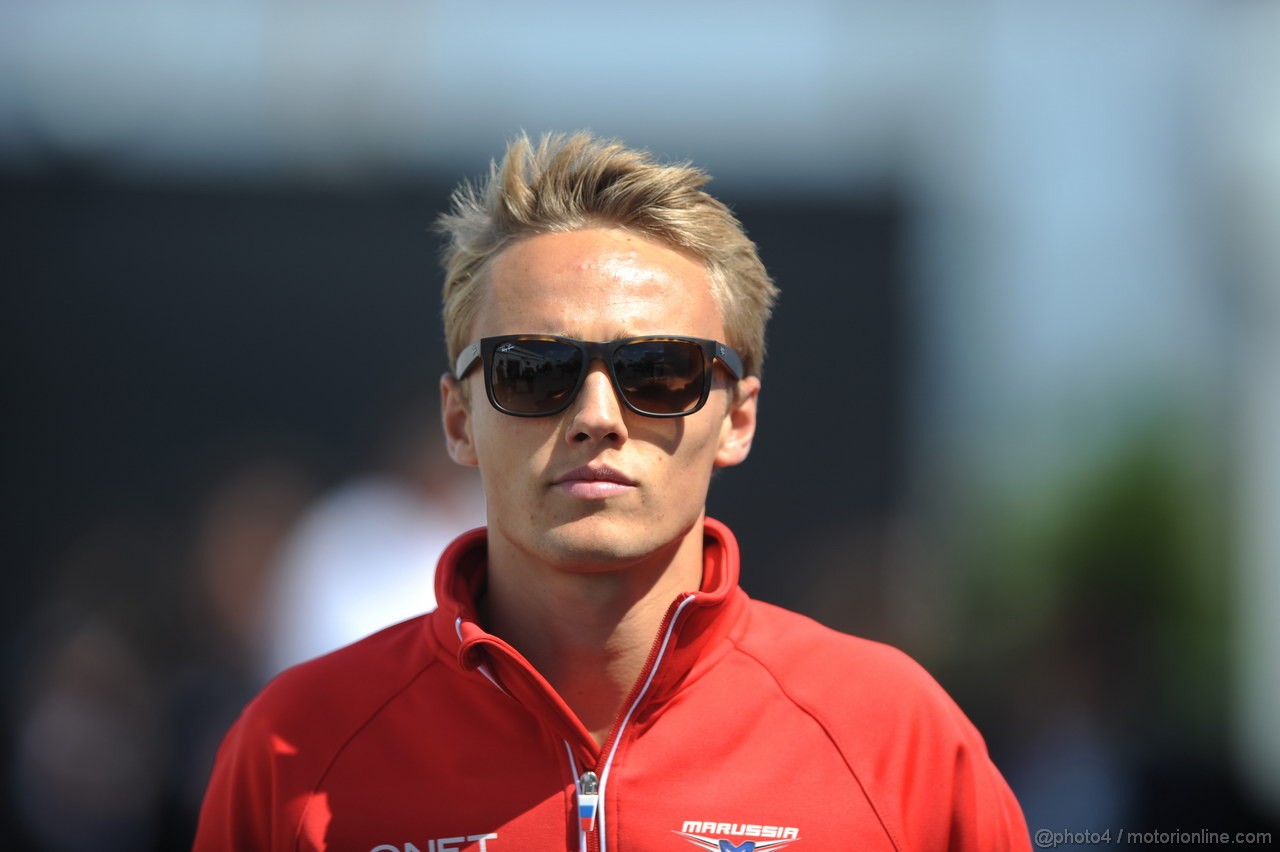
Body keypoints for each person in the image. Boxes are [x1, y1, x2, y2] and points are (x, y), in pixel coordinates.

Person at [193, 132, 1030, 852]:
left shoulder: (898, 741)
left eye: (660, 373)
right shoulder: (294, 747)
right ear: (458, 421)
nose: (597, 416)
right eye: (534, 371)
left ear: (737, 420)